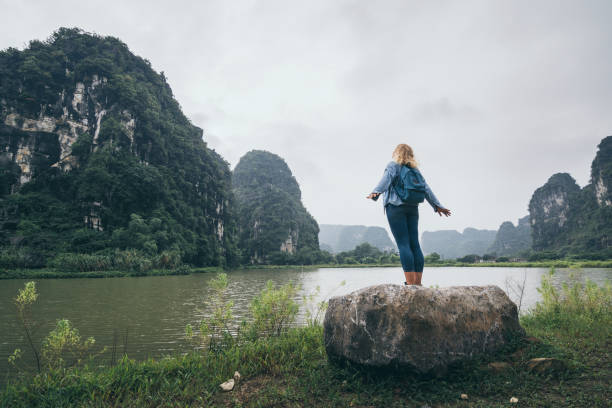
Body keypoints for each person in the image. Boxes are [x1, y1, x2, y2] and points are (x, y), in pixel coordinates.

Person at [366, 144, 451, 286]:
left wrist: (376, 192)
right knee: (415, 245)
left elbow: (386, 179)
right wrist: (437, 206)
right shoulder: (414, 170)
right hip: (412, 208)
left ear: (396, 153)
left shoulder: (393, 165)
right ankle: (418, 283)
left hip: (395, 207)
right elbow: (426, 189)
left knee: (403, 244)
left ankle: (410, 285)